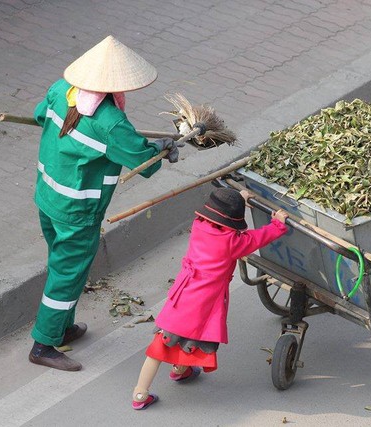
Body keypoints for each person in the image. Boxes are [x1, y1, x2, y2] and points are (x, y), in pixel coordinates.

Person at [29, 35, 182, 371]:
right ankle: (43, 343)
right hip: (77, 211)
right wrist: (163, 151)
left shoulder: (60, 90)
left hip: (48, 196)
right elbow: (143, 161)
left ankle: (61, 326)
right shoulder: (110, 121)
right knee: (67, 274)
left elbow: (41, 116)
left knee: (64, 266)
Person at [131, 187, 289, 410]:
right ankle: (171, 374)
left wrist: (239, 200)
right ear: (233, 223)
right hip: (204, 302)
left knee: (162, 343)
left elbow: (224, 221)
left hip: (183, 292)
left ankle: (143, 391)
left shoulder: (199, 226)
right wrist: (278, 224)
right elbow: (258, 238)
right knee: (193, 337)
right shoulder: (232, 242)